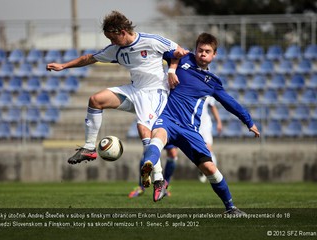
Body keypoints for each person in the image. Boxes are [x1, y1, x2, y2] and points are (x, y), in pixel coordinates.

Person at [46, 11, 188, 195]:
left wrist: (171, 72)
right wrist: (63, 66)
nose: (111, 43)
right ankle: (89, 148)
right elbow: (89, 58)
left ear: (122, 31)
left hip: (156, 92)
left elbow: (180, 52)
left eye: (112, 38)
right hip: (134, 90)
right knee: (96, 100)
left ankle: (159, 180)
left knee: (144, 130)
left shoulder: (151, 41)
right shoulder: (116, 50)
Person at [140, 32, 260, 214]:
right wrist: (172, 67)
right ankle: (152, 172)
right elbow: (160, 52)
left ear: (214, 55)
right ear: (195, 50)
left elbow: (229, 103)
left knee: (210, 168)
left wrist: (248, 121)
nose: (203, 54)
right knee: (157, 136)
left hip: (190, 130)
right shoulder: (183, 58)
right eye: (200, 50)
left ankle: (230, 208)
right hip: (168, 119)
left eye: (207, 51)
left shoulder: (212, 82)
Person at [128, 97, 222, 197]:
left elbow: (212, 105)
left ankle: (164, 185)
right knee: (148, 153)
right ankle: (141, 187)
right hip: (156, 118)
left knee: (172, 154)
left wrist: (218, 121)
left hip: (170, 120)